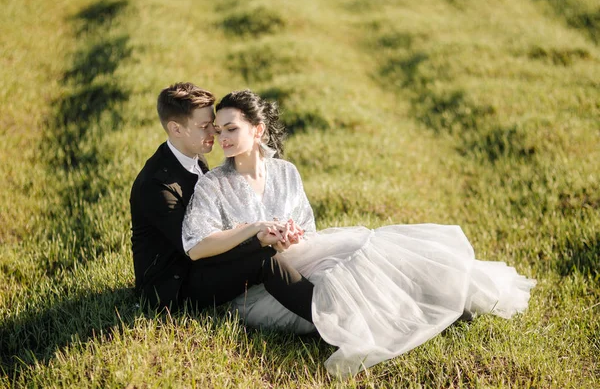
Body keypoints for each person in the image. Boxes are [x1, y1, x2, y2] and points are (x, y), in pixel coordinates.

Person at [181, 89, 536, 376]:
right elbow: (196, 246)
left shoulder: (286, 172)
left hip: (302, 257)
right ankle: (361, 331)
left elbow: (307, 227)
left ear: (257, 130)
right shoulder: (214, 184)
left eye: (231, 129)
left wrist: (290, 235)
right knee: (338, 284)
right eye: (218, 130)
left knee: (367, 248)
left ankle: (445, 297)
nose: (222, 137)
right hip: (255, 289)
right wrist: (253, 231)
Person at [130, 82, 314, 319]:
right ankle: (327, 320)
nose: (214, 135)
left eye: (213, 126)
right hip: (172, 289)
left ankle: (325, 307)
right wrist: (256, 237)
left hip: (200, 267)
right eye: (205, 126)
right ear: (176, 129)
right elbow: (195, 248)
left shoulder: (194, 158)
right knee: (262, 261)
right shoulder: (157, 186)